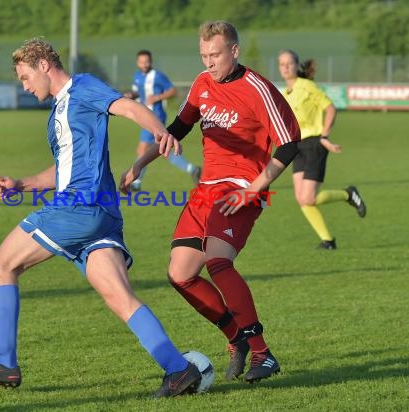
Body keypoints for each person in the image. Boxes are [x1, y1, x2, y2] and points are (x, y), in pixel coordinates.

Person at [0, 37, 202, 398]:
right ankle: (179, 370)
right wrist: (21, 183)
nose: (24, 86)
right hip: (101, 214)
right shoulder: (59, 111)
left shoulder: (82, 87)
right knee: (120, 298)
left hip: (78, 207)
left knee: (1, 265)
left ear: (43, 65)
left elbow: (127, 107)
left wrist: (160, 131)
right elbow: (63, 169)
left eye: (25, 77)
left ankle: (5, 362)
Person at [121, 20, 301, 384]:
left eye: (215, 54)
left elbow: (290, 142)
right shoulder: (202, 85)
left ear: (234, 51)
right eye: (204, 55)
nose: (208, 62)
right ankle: (236, 337)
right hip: (205, 189)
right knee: (180, 274)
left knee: (219, 261)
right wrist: (139, 165)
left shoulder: (258, 89)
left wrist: (256, 187)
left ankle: (263, 353)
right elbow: (177, 129)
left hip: (238, 189)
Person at [278, 50, 366, 250]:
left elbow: (330, 108)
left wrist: (324, 136)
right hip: (296, 146)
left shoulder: (307, 86)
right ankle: (328, 241)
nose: (285, 67)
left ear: (296, 64)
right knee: (302, 200)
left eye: (289, 63)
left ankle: (348, 194)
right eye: (281, 64)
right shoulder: (284, 94)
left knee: (308, 197)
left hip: (314, 144)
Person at [124, 50, 201, 191]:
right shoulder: (137, 76)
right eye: (141, 62)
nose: (144, 64)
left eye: (147, 61)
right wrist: (130, 95)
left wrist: (157, 97)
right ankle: (192, 169)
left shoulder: (158, 76)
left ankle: (136, 181)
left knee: (143, 148)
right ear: (137, 62)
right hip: (144, 115)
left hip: (156, 116)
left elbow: (172, 91)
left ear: (151, 61)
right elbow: (137, 92)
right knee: (162, 150)